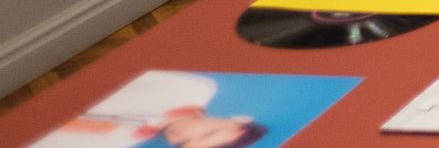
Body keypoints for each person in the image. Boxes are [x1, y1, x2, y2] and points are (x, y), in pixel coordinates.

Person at [32, 71, 268, 147]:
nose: (182, 136)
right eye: (209, 132)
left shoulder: (118, 141)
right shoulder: (192, 89)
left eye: (184, 144)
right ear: (239, 118)